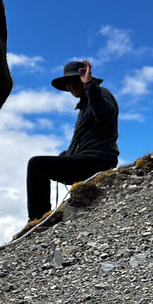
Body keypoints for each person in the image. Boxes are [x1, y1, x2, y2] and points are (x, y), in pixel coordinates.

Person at [26, 60, 119, 222]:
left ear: (85, 78)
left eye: (74, 81)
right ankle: (39, 218)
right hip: (87, 160)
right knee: (47, 163)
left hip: (98, 160)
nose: (69, 86)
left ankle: (37, 218)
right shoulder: (84, 105)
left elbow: (104, 116)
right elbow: (85, 141)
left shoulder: (100, 93)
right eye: (67, 83)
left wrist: (89, 85)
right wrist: (67, 156)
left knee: (36, 165)